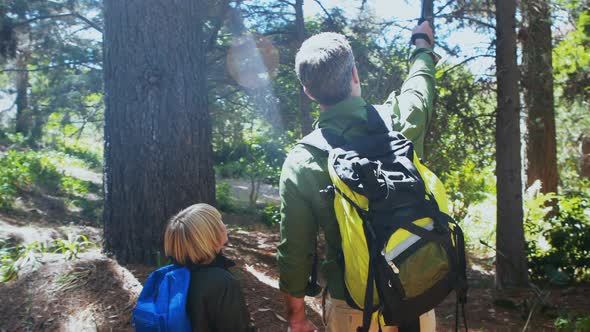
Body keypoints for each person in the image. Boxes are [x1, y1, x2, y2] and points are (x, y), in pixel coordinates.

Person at [277, 21, 439, 332]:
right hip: (415, 301)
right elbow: (420, 89)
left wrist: (296, 317)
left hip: (352, 309)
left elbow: (294, 250)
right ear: (355, 74)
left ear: (308, 92)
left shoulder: (302, 160)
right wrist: (421, 47)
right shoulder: (398, 122)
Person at [164, 203, 253, 331]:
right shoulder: (222, 282)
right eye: (219, 221)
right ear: (212, 235)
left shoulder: (172, 274)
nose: (224, 225)